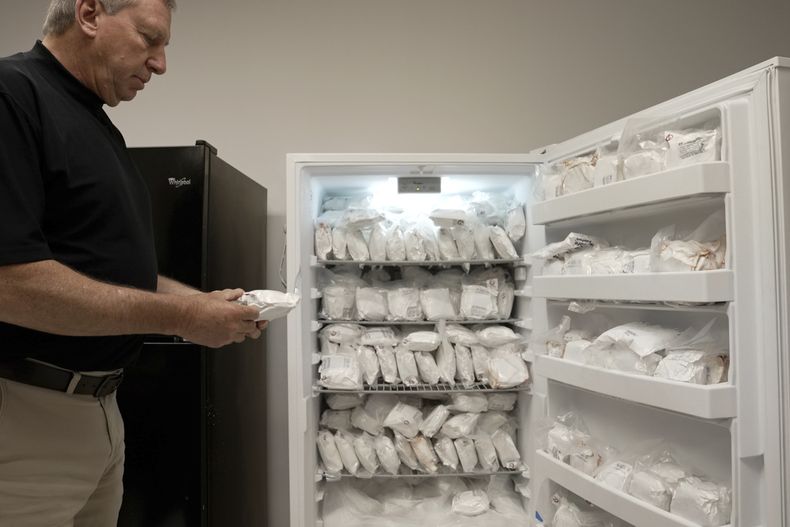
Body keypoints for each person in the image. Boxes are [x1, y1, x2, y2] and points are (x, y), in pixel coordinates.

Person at [0, 0, 266, 525]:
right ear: (89, 14)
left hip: (101, 410)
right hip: (26, 410)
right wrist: (184, 317)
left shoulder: (96, 123)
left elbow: (108, 271)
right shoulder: (13, 94)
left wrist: (201, 303)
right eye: (149, 38)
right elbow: (10, 283)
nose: (160, 63)